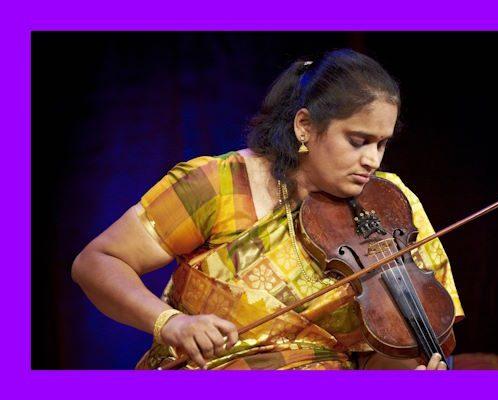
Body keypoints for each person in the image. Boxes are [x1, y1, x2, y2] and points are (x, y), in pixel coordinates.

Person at [72, 49, 464, 370]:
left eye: (382, 144)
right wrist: (171, 323)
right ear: (305, 127)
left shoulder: (394, 207)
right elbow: (98, 261)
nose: (372, 160)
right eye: (358, 141)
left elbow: (389, 356)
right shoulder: (220, 185)